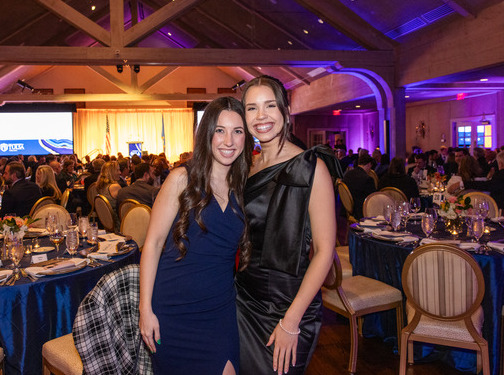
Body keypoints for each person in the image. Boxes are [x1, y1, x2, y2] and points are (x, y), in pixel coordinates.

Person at [139, 97, 254, 374]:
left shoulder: (245, 184)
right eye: (220, 130)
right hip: (173, 309)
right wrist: (144, 309)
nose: (229, 140)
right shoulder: (181, 178)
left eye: (237, 131)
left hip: (219, 310)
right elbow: (152, 245)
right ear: (207, 134)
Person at [235, 76, 335, 375]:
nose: (261, 116)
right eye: (252, 108)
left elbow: (325, 250)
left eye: (270, 106)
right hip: (244, 297)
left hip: (290, 303)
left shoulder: (311, 167)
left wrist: (291, 321)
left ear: (285, 111)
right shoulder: (245, 166)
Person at [343, 153, 376, 220]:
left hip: (347, 209)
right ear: (369, 164)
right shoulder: (367, 179)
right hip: (361, 212)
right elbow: (373, 198)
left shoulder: (347, 174)